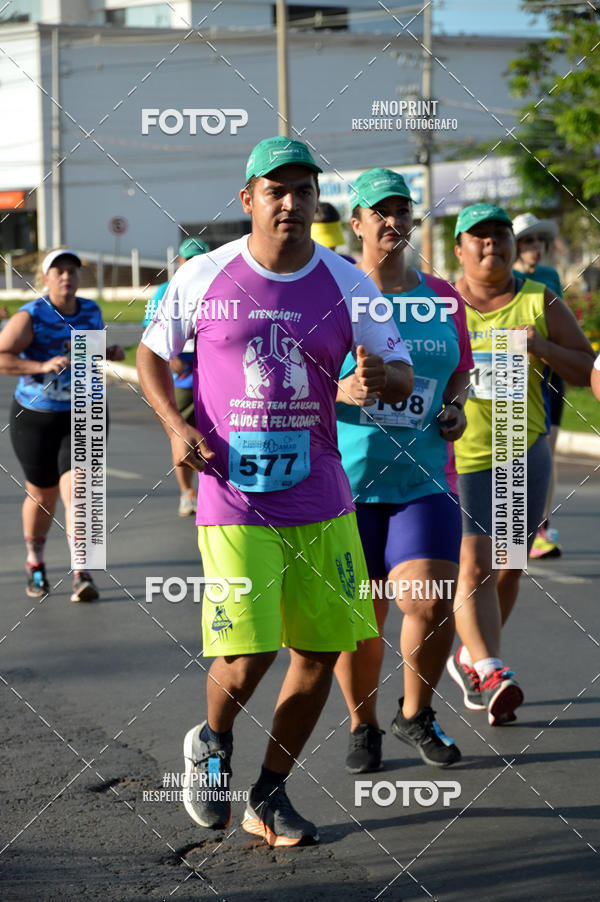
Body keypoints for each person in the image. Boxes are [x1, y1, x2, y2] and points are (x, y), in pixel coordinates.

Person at [136, 137, 413, 847]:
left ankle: (270, 790)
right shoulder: (204, 274)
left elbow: (401, 372)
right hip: (235, 502)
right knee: (250, 653)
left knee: (320, 653)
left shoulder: (350, 284)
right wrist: (174, 425)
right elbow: (149, 353)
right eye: (276, 190)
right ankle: (214, 738)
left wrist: (383, 379)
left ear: (319, 202)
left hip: (323, 499)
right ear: (249, 200)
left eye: (303, 191)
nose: (291, 203)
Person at [334, 168, 473, 772]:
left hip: (424, 477)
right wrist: (345, 389)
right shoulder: (333, 293)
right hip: (350, 481)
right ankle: (362, 724)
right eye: (378, 212)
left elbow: (458, 371)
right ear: (357, 223)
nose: (392, 222)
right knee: (361, 617)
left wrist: (455, 410)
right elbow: (304, 378)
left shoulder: (442, 295)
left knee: (429, 600)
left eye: (402, 211)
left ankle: (414, 714)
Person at [446, 204, 595, 726]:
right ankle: (489, 669)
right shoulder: (441, 303)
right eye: (479, 238)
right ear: (459, 248)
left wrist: (544, 347)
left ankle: (473, 654)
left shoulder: (538, 300)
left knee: (510, 565)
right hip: (458, 456)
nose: (492, 246)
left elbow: (585, 370)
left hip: (519, 450)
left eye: (500, 236)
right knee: (473, 563)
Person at [0, 249, 124, 601]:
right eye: (59, 271)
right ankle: (35, 563)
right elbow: (3, 356)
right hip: (37, 415)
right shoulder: (31, 315)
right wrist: (39, 367)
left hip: (86, 410)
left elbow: (89, 353)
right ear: (46, 278)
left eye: (72, 271)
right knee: (43, 494)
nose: (67, 277)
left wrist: (107, 352)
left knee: (80, 489)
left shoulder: (90, 310)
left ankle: (83, 571)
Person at [143, 237, 210, 516]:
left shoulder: (219, 284)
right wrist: (172, 360)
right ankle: (187, 492)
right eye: (188, 259)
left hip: (213, 376)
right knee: (181, 433)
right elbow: (151, 334)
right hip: (183, 376)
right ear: (179, 262)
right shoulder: (164, 291)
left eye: (199, 259)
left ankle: (213, 492)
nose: (193, 264)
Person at [512, 212, 564, 558]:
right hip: (514, 372)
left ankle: (541, 528)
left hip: (550, 374)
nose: (536, 248)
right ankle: (513, 528)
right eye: (528, 241)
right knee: (514, 452)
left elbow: (559, 327)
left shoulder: (550, 277)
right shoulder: (507, 277)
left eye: (539, 241)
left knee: (548, 450)